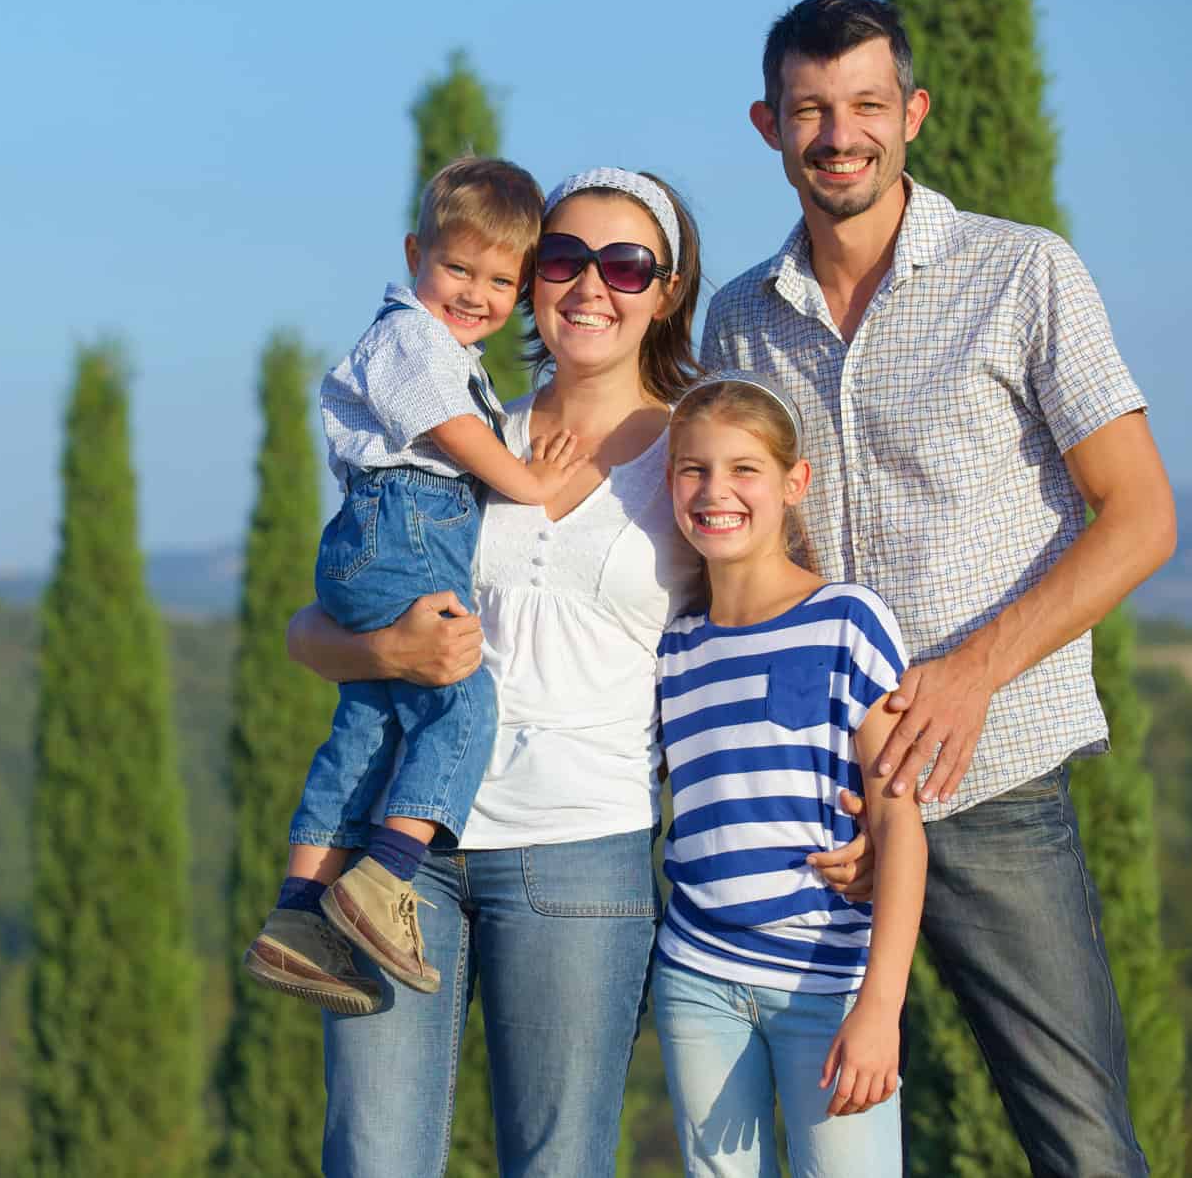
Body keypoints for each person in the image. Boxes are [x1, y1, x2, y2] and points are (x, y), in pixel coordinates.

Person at [286, 166, 873, 1176]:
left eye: (624, 263)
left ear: (667, 287)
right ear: (526, 282)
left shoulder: (702, 461)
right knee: (371, 1156)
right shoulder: (460, 432)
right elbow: (311, 626)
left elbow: (785, 631)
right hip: (401, 852)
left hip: (578, 856)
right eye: (561, 259)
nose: (589, 284)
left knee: (554, 1164)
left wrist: (853, 797)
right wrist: (388, 652)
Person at [702, 0, 1178, 1176]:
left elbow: (1139, 515)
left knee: (1077, 1142)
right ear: (767, 125)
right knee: (818, 1153)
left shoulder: (1021, 273)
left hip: (994, 775)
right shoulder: (737, 322)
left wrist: (969, 674)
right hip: (818, 814)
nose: (837, 133)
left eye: (865, 103)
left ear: (910, 112)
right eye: (809, 109)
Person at [243, 156, 590, 1013]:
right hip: (400, 529)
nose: (475, 293)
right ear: (413, 254)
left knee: (366, 721)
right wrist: (528, 478)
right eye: (457, 268)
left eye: (500, 279)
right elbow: (448, 428)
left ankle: (298, 911)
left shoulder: (440, 342)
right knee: (463, 697)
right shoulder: (409, 338)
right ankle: (384, 876)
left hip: (388, 531)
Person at [650, 372, 926, 1177]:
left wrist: (882, 1005)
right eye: (694, 469)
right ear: (671, 485)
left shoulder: (848, 620)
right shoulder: (675, 649)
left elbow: (900, 825)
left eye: (745, 469)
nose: (716, 490)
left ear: (792, 483)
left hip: (829, 984)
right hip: (697, 976)